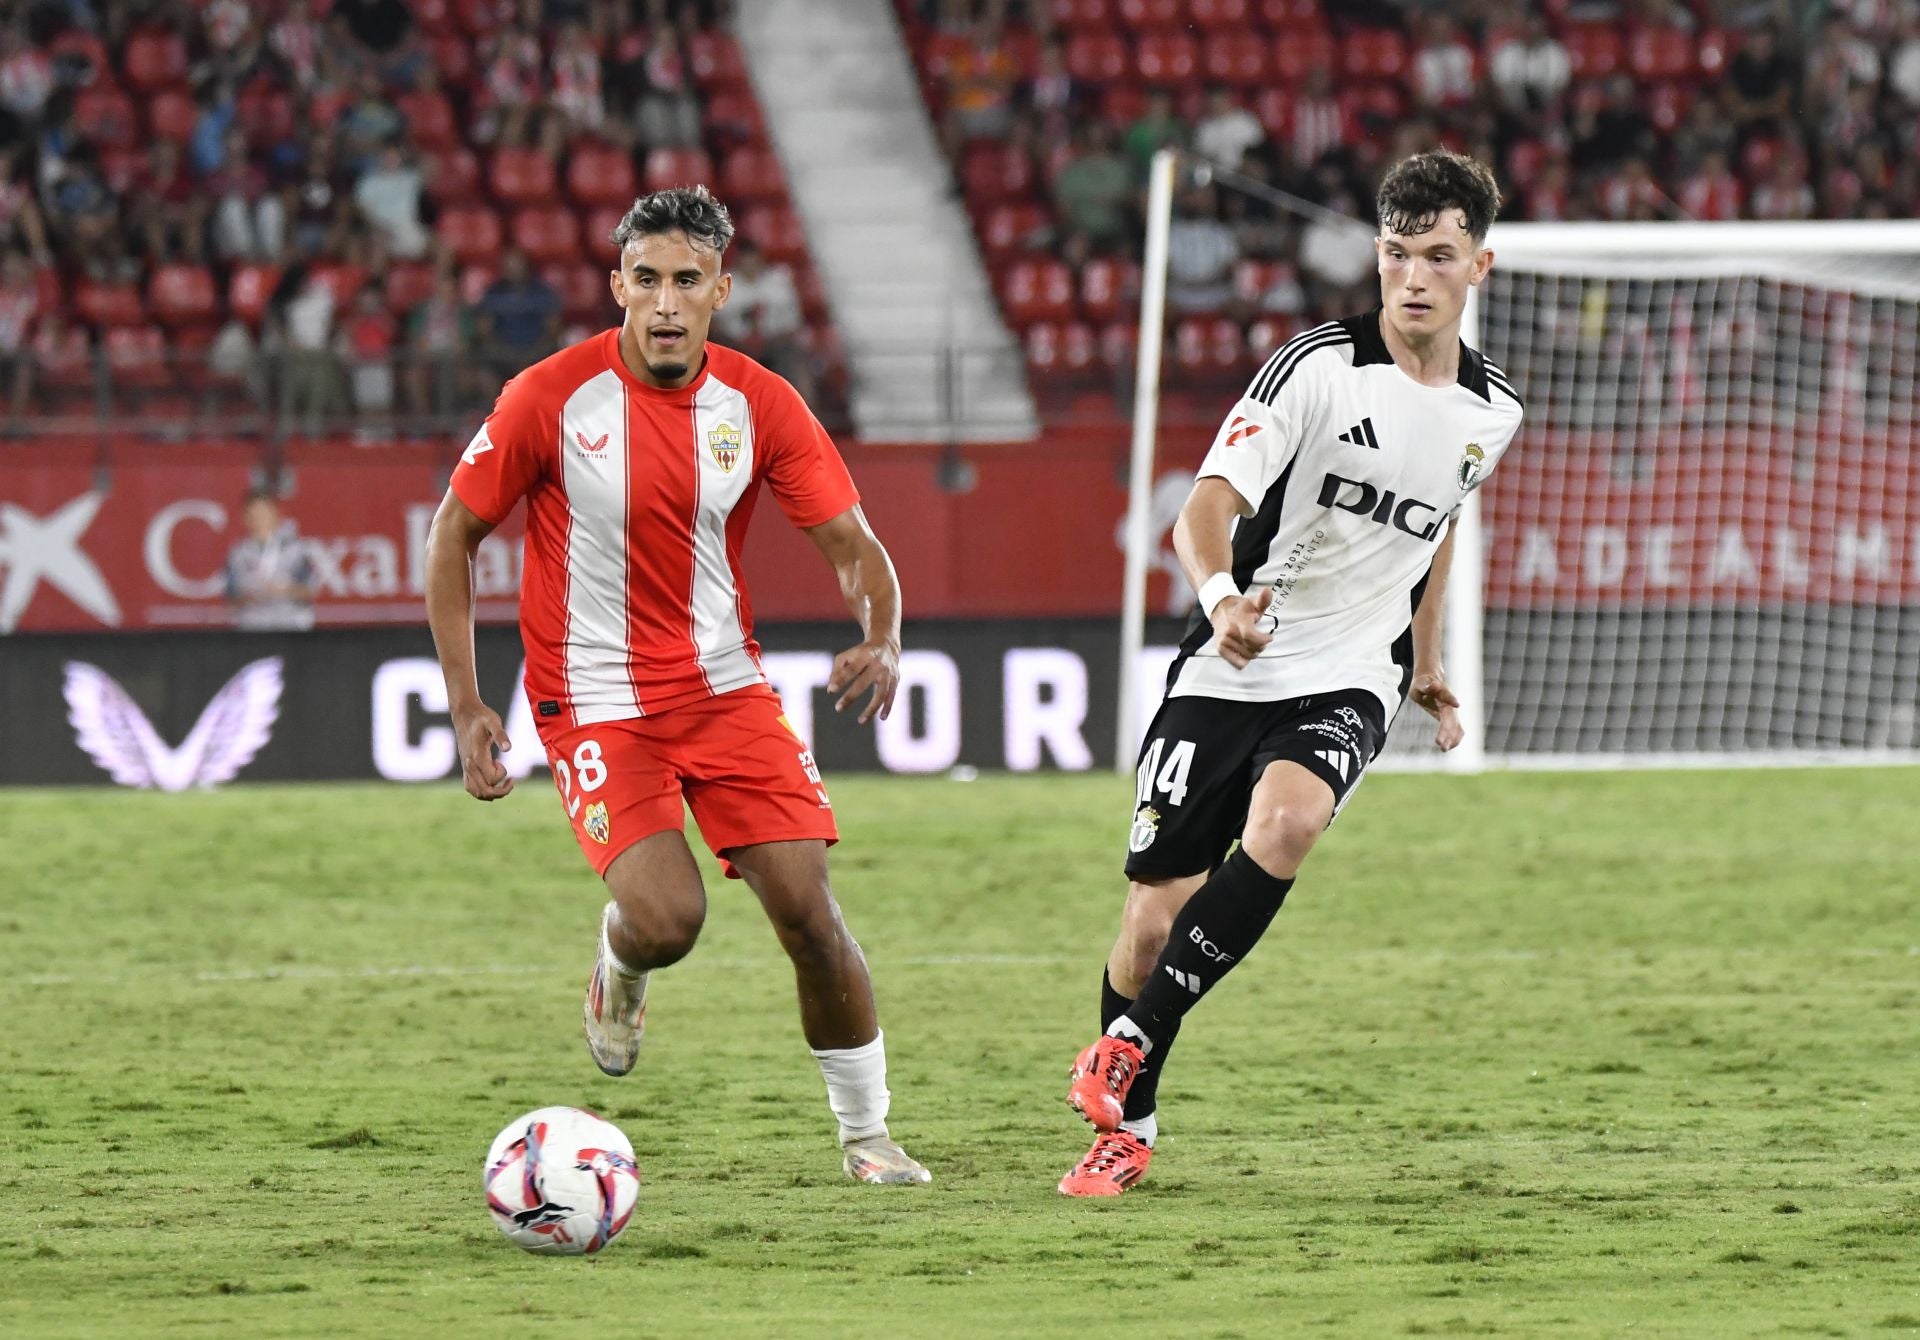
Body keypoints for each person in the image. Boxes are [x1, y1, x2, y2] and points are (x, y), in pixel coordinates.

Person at [424, 186, 931, 1187]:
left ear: (721, 291)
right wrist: (468, 700)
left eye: (686, 281)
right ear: (617, 285)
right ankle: (621, 965)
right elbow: (454, 533)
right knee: (668, 919)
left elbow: (854, 547)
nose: (664, 300)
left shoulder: (762, 404)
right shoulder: (549, 398)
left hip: (724, 688)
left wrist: (884, 634)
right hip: (594, 698)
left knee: (809, 909)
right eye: (646, 279)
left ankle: (867, 1135)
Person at [1056, 151, 1526, 1197]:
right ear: (1377, 255)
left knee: (1289, 823)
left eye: (1438, 256)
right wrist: (1223, 596)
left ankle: (1130, 1051)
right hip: (1237, 655)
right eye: (1398, 254)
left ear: (1478, 267)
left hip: (1354, 669)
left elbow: (1438, 522)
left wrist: (1430, 656)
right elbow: (1205, 506)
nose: (1414, 277)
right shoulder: (1314, 367)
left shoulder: (1494, 412)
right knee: (1147, 920)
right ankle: (1130, 1111)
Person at [225, 489, 316, 631]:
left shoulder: (294, 549)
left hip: (289, 625)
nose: (259, 519)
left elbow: (308, 589)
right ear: (245, 517)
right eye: (253, 514)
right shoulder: (238, 553)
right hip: (252, 626)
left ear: (275, 514)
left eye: (263, 513)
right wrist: (249, 597)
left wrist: (283, 591)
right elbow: (231, 596)